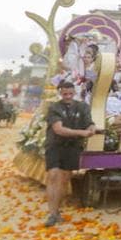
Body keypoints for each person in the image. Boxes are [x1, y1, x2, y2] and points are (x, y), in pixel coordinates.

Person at [42, 81, 95, 227]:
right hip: (55, 145)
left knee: (64, 179)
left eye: (70, 94)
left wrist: (92, 128)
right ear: (60, 93)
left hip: (72, 148)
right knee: (53, 175)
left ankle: (57, 209)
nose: (67, 96)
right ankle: (52, 213)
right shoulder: (54, 107)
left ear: (74, 92)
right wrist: (81, 133)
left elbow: (89, 122)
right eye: (65, 94)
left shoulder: (83, 107)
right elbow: (58, 129)